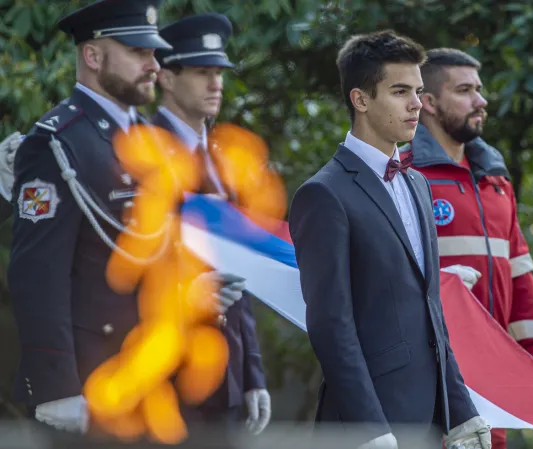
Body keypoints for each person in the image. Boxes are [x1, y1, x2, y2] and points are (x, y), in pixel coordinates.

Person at [7, 0, 237, 436]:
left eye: (153, 52)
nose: (153, 65)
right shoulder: (58, 143)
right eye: (137, 52)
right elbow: (37, 274)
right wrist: (57, 386)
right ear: (93, 56)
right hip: (94, 382)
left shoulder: (151, 140)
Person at [288, 30, 491, 449]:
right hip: (365, 424)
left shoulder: (418, 184)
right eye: (400, 92)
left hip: (429, 421)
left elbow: (431, 314)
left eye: (417, 91)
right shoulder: (323, 194)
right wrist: (370, 429)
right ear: (360, 99)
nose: (417, 104)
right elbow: (330, 326)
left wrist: (462, 412)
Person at [400, 48, 533, 449]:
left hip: (492, 378)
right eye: (465, 91)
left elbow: (519, 277)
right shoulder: (404, 175)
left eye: (479, 90)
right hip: (430, 380)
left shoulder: (496, 182)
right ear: (429, 102)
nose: (480, 101)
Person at [151, 13, 270, 436]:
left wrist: (252, 372)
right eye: (202, 73)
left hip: (226, 375)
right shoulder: (138, 153)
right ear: (166, 77)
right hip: (160, 372)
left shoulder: (223, 163)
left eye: (218, 73)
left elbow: (239, 273)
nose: (215, 84)